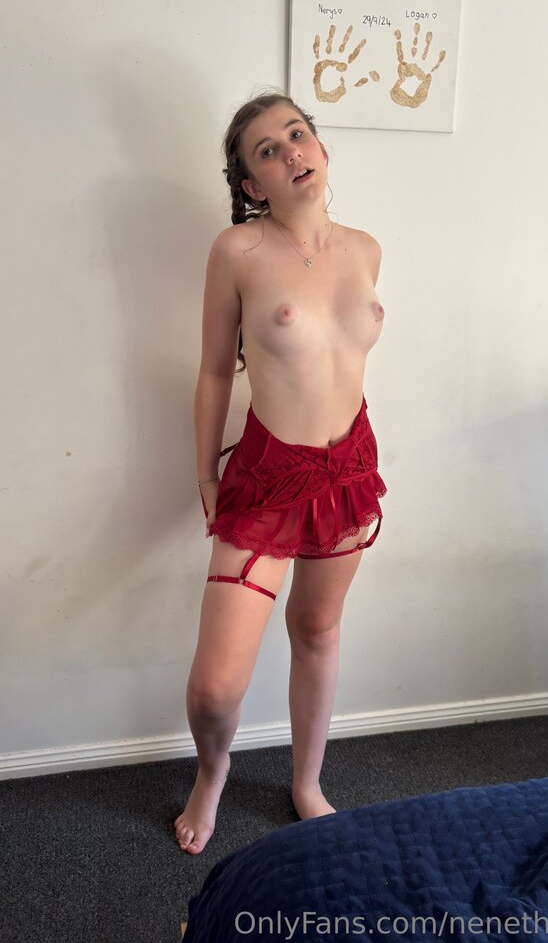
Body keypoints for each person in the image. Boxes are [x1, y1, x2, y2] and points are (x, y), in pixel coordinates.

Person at [175, 90, 387, 855]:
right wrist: (207, 477)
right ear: (251, 183)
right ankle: (213, 770)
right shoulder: (236, 252)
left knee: (318, 631)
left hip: (348, 470)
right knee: (215, 688)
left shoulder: (365, 249)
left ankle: (305, 782)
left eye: (298, 134)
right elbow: (214, 371)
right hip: (267, 477)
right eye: (268, 149)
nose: (291, 151)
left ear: (321, 148)